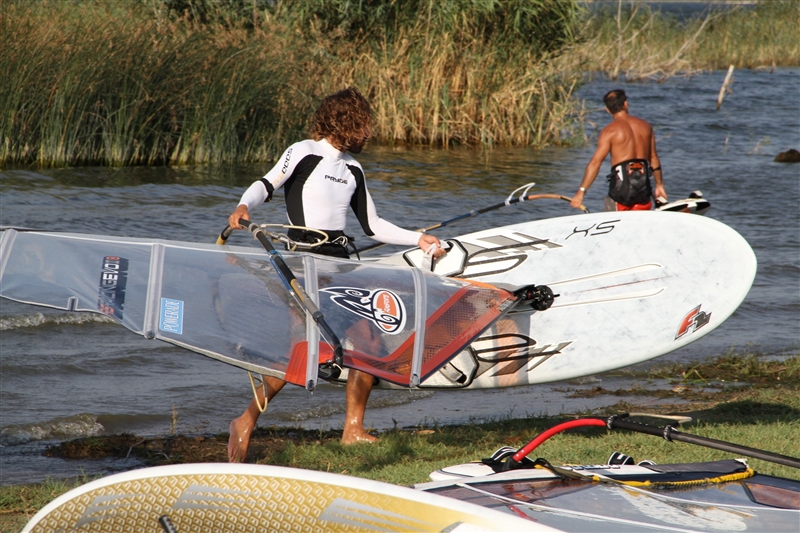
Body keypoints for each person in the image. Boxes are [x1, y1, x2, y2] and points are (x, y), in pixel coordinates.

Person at [226, 87, 444, 462]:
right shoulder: (304, 151)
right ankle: (245, 420)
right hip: (304, 263)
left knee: (369, 343)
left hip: (341, 263)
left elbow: (373, 226)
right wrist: (244, 205)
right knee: (304, 349)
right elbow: (266, 184)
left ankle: (352, 430)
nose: (368, 133)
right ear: (343, 122)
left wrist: (418, 238)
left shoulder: (354, 169)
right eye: (363, 126)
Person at [570, 89, 667, 212]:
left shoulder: (609, 131)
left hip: (620, 193)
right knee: (638, 223)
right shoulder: (646, 126)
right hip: (643, 191)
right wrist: (659, 185)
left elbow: (595, 163)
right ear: (626, 104)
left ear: (607, 109)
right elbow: (653, 158)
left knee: (615, 223)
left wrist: (581, 192)